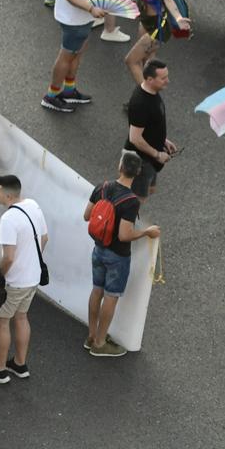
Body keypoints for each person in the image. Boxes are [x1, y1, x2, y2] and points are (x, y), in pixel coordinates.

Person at [84, 151, 159, 357]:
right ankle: (100, 343)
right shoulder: (131, 201)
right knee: (111, 296)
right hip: (117, 256)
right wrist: (146, 231)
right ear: (137, 174)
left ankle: (91, 335)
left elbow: (86, 216)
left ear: (120, 167)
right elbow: (124, 235)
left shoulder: (102, 187)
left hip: (98, 250)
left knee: (96, 291)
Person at [0, 175, 47, 384]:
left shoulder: (8, 219)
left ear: (8, 195)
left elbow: (8, 257)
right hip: (33, 278)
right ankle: (19, 363)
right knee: (22, 318)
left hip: (14, 282)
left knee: (2, 322)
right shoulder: (33, 205)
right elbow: (44, 239)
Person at [125, 59, 178, 197]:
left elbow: (151, 123)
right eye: (163, 78)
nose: (168, 81)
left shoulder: (153, 91)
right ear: (149, 79)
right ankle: (125, 218)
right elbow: (135, 138)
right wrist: (158, 154)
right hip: (141, 161)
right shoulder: (140, 103)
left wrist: (163, 140)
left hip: (150, 158)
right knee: (136, 199)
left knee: (150, 190)